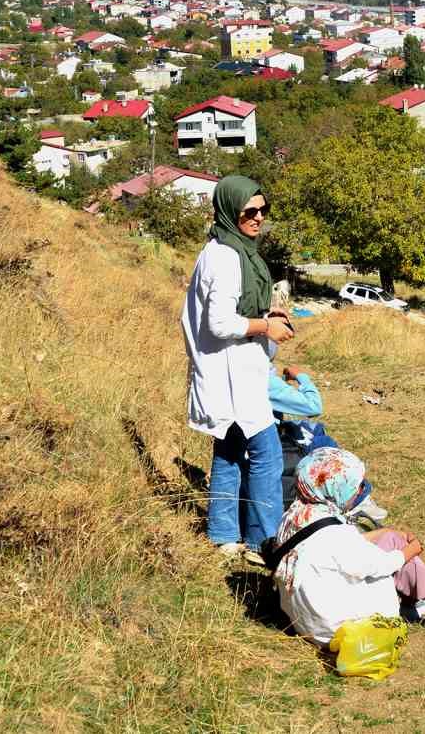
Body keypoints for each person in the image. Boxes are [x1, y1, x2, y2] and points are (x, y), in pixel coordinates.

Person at [183, 175, 295, 562]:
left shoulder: (224, 249)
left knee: (229, 450)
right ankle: (265, 540)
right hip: (231, 374)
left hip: (230, 371)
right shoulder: (228, 257)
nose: (259, 217)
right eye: (250, 210)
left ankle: (223, 533)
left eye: (263, 210)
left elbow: (233, 310)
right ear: (230, 210)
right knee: (267, 453)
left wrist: (266, 313)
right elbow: (219, 323)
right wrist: (267, 326)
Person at [273, 447, 425, 644]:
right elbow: (381, 565)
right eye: (355, 488)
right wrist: (409, 551)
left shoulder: (291, 518)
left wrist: (384, 533)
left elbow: (338, 551)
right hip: (343, 630)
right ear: (335, 489)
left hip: (307, 624)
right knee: (395, 550)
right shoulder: (337, 534)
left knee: (389, 538)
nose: (358, 493)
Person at [269, 363, 389, 525]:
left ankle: (352, 493)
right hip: (265, 441)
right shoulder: (259, 375)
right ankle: (356, 498)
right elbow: (313, 406)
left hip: (256, 436)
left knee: (315, 431)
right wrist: (301, 377)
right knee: (323, 443)